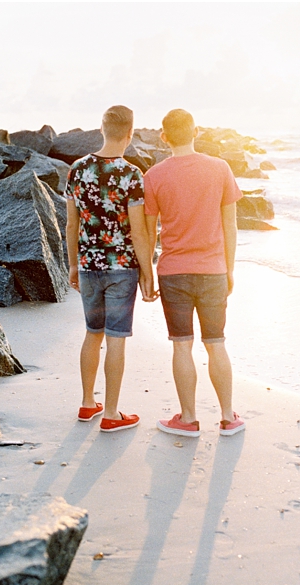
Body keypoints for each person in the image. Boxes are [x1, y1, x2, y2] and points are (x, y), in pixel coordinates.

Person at [143, 108, 244, 437]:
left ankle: (188, 419)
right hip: (213, 271)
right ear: (196, 131)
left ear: (164, 136)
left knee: (182, 345)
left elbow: (148, 232)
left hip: (173, 273)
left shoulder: (154, 176)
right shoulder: (220, 168)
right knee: (216, 344)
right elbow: (231, 225)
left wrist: (146, 272)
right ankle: (228, 417)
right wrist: (229, 269)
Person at [64, 105, 157, 433]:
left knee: (92, 334)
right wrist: (148, 273)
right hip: (121, 268)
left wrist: (73, 264)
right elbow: (138, 231)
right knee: (116, 340)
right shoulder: (132, 174)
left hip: (89, 266)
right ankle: (112, 413)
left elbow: (71, 223)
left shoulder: (77, 169)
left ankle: (88, 403)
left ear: (101, 129)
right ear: (130, 134)